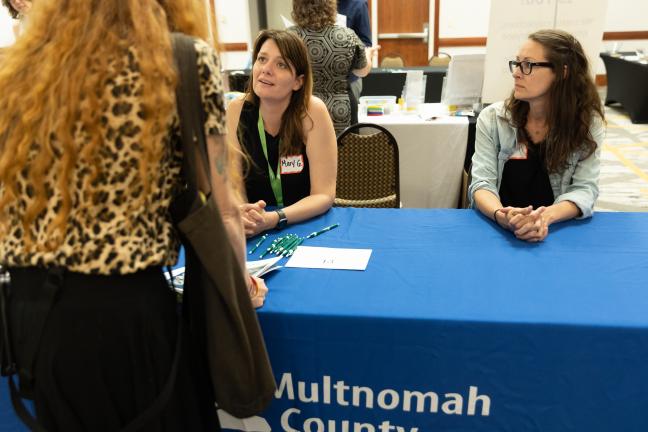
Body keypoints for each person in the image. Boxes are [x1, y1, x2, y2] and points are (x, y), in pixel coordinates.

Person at [0, 0, 266, 430]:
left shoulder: (24, 69)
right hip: (126, 318)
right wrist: (241, 289)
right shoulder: (178, 60)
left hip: (37, 320)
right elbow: (224, 212)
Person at [468, 29, 605, 242]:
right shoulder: (493, 119)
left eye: (528, 65)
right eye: (517, 63)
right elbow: (481, 183)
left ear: (562, 72)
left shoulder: (586, 124)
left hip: (557, 234)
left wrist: (543, 218)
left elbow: (585, 189)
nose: (516, 73)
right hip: (496, 232)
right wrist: (502, 215)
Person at [226, 29, 337, 238]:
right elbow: (233, 183)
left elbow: (323, 194)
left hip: (305, 227)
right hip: (253, 230)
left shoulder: (313, 112)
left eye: (281, 64)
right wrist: (242, 214)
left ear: (298, 81)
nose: (266, 70)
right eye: (262, 59)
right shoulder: (236, 110)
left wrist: (274, 218)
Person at [289, 0, 379, 135]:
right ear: (331, 7)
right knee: (344, 152)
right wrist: (367, 54)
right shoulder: (347, 36)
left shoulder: (290, 38)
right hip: (341, 109)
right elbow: (362, 71)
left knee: (304, 150)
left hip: (302, 107)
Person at [337, 0, 372, 124]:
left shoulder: (358, 4)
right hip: (318, 80)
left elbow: (366, 43)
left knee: (346, 129)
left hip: (350, 78)